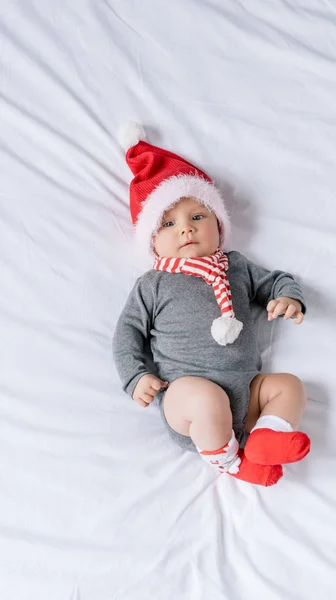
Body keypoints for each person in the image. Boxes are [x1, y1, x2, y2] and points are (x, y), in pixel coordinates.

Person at [113, 122, 310, 487]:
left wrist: (287, 297)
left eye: (198, 217)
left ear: (219, 227)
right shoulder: (154, 283)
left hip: (245, 392)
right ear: (153, 243)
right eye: (169, 223)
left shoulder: (235, 266)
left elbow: (276, 280)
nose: (186, 229)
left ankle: (265, 437)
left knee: (290, 386)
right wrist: (135, 376)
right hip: (186, 399)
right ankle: (233, 464)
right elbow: (127, 333)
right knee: (206, 398)